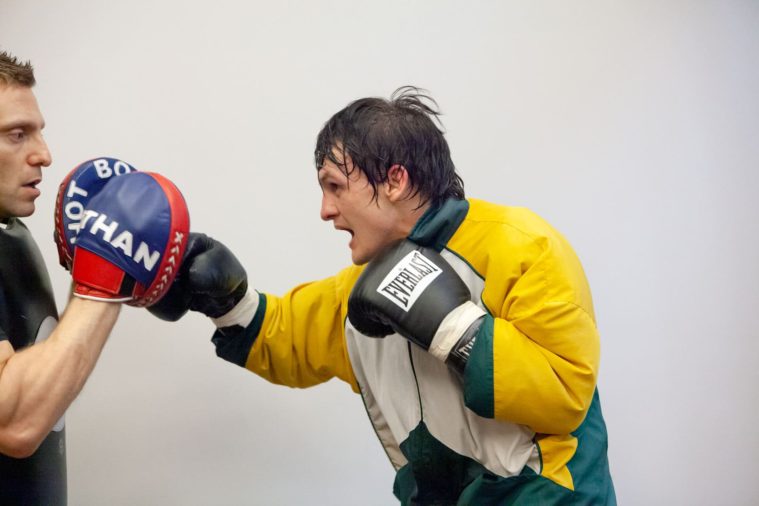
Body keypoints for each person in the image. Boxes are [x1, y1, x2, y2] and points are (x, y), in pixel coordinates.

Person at [157, 87, 616, 504]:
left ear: (395, 181)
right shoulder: (357, 291)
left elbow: (565, 391)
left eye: (335, 186)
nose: (325, 210)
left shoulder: (523, 247)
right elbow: (287, 338)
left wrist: (457, 329)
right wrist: (228, 300)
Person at [0, 50, 189, 505]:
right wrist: (106, 277)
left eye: (39, 132)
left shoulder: (13, 236)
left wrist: (101, 272)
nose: (43, 155)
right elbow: (15, 421)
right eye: (16, 135)